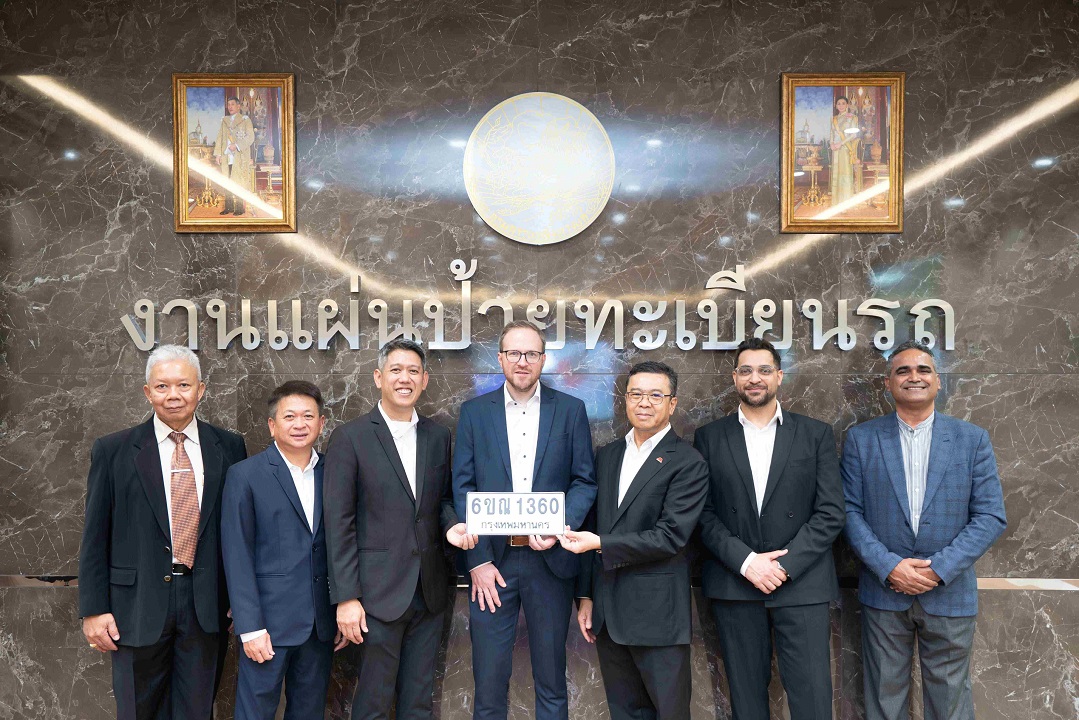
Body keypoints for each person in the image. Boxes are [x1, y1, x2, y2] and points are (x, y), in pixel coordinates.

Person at [78, 344, 247, 720]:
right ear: (147, 392)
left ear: (201, 390)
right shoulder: (113, 450)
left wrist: (242, 598)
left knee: (197, 711)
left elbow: (240, 530)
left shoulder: (229, 447)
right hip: (135, 605)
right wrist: (94, 609)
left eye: (184, 385)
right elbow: (94, 535)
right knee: (137, 711)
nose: (174, 395)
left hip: (207, 604)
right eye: (162, 386)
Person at [841, 341, 1006, 720]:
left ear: (938, 381)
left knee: (950, 705)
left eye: (923, 370)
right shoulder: (862, 439)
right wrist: (889, 566)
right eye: (903, 371)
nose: (913, 377)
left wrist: (938, 569)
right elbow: (848, 512)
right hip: (884, 593)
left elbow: (990, 516)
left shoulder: (971, 439)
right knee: (884, 702)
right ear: (887, 383)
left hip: (950, 592)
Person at [324, 338, 477, 719]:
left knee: (418, 703)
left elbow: (441, 500)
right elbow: (339, 522)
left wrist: (452, 527)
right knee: (372, 704)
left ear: (425, 380)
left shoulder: (437, 436)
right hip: (375, 596)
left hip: (428, 592)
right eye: (396, 370)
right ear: (379, 377)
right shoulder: (351, 437)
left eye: (413, 371)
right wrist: (346, 597)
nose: (404, 378)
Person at [694, 337, 845, 720]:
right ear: (734, 378)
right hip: (735, 584)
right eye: (746, 370)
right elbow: (703, 514)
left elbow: (830, 512)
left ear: (779, 376)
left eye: (764, 370)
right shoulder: (709, 437)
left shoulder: (815, 434)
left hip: (802, 584)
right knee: (746, 703)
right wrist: (748, 563)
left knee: (813, 702)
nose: (754, 378)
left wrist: (782, 566)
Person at [453, 320, 597, 720]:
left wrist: (558, 526)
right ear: (500, 358)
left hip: (550, 563)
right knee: (488, 685)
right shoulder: (474, 413)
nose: (522, 361)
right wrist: (477, 560)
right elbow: (463, 487)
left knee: (552, 683)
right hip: (491, 566)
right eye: (514, 353)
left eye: (531, 353)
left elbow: (584, 481)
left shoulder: (570, 411)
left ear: (543, 359)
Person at [561, 361, 709, 720]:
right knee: (624, 713)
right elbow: (592, 524)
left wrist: (600, 543)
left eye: (656, 395)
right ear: (625, 400)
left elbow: (670, 537)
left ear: (672, 403)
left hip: (657, 618)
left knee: (670, 713)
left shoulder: (688, 462)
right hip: (608, 615)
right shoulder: (608, 455)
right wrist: (585, 595)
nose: (644, 403)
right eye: (636, 394)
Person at [221, 381, 347, 719]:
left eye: (308, 416)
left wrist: (341, 607)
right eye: (289, 416)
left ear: (322, 423)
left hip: (320, 627)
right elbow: (237, 555)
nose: (299, 424)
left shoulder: (335, 472)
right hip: (267, 626)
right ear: (272, 425)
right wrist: (249, 626)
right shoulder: (245, 476)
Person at [213, 95, 255, 216]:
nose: (230, 107)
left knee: (239, 182)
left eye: (232, 104)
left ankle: (239, 208)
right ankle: (229, 207)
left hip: (239, 157)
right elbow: (220, 138)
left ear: (238, 106)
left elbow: (250, 137)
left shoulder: (245, 120)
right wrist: (218, 154)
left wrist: (236, 145)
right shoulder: (224, 120)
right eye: (228, 104)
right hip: (226, 156)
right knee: (227, 181)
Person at [828, 95, 860, 206]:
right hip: (835, 149)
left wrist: (840, 143)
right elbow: (831, 133)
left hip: (846, 148)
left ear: (847, 105)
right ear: (836, 106)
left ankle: (846, 202)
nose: (841, 105)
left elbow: (853, 135)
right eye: (839, 104)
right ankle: (836, 201)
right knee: (836, 174)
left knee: (845, 174)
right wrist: (831, 144)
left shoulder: (852, 117)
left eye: (843, 103)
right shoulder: (834, 119)